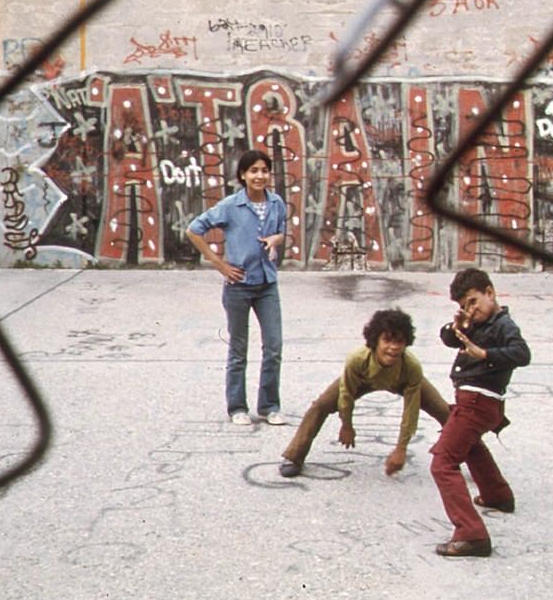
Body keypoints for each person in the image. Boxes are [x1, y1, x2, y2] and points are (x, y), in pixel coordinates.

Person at [430, 267, 530, 558]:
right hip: (475, 403)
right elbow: (449, 339)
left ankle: (472, 534)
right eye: (464, 306)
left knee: (443, 462)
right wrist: (457, 325)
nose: (470, 310)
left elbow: (522, 354)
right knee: (470, 445)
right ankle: (497, 496)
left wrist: (486, 355)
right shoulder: (475, 322)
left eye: (474, 302)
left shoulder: (503, 324)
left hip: (479, 402)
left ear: (490, 292)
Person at [278, 308, 448, 478]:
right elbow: (346, 394)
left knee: (445, 411)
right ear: (375, 341)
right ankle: (294, 456)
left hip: (400, 382)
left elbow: (411, 410)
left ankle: (473, 457)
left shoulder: (411, 366)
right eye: (387, 340)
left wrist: (401, 449)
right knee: (320, 405)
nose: (394, 347)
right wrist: (346, 425)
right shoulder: (357, 360)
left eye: (400, 342)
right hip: (362, 381)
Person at [186, 149, 288, 425]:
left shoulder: (276, 202)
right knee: (239, 348)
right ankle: (237, 407)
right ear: (243, 175)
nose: (259, 176)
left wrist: (276, 240)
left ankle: (269, 406)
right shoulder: (231, 205)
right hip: (239, 285)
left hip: (267, 283)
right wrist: (219, 264)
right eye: (253, 171)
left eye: (264, 170)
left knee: (274, 346)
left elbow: (280, 231)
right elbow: (194, 230)